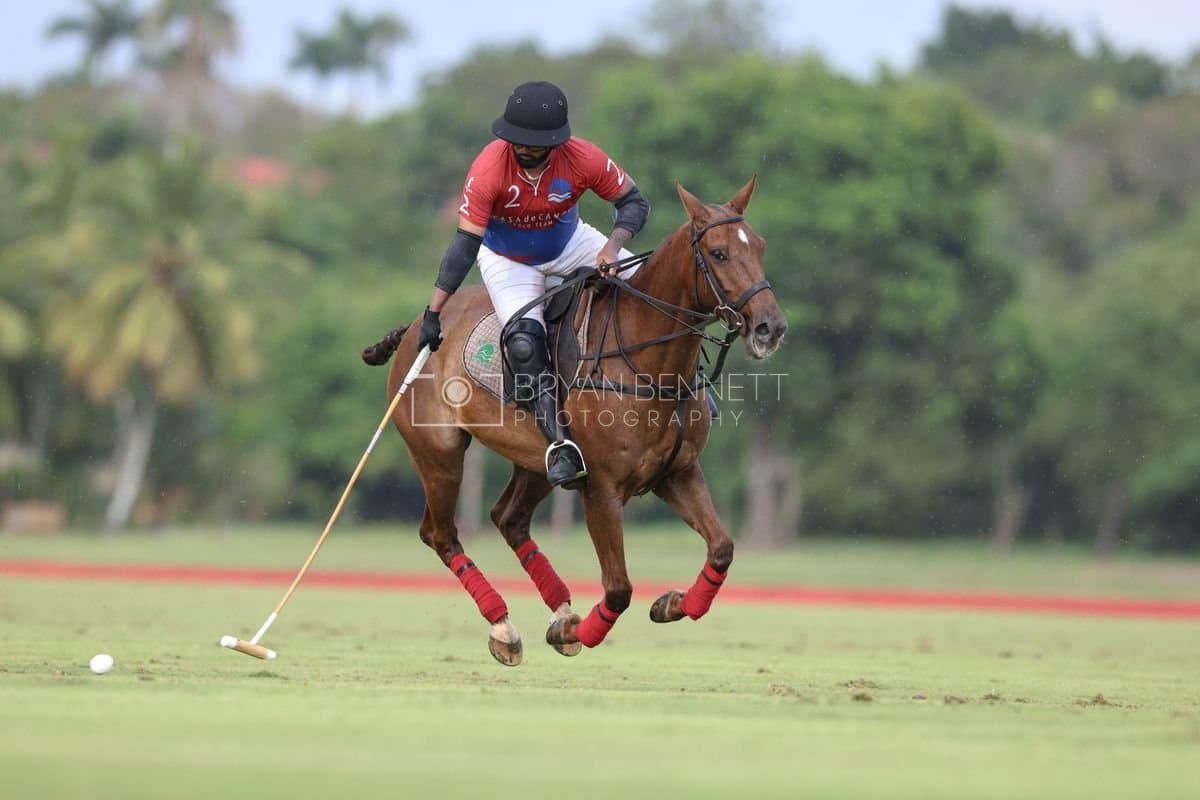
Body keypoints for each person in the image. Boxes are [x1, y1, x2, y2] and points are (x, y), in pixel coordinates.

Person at [417, 80, 651, 490]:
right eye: (516, 139)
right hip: (509, 259)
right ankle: (559, 446)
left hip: (573, 243)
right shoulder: (489, 169)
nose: (522, 148)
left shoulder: (584, 158)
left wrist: (613, 248)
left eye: (532, 142)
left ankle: (691, 389)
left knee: (649, 291)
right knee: (524, 342)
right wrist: (434, 311)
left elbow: (634, 202)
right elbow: (464, 245)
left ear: (555, 141)